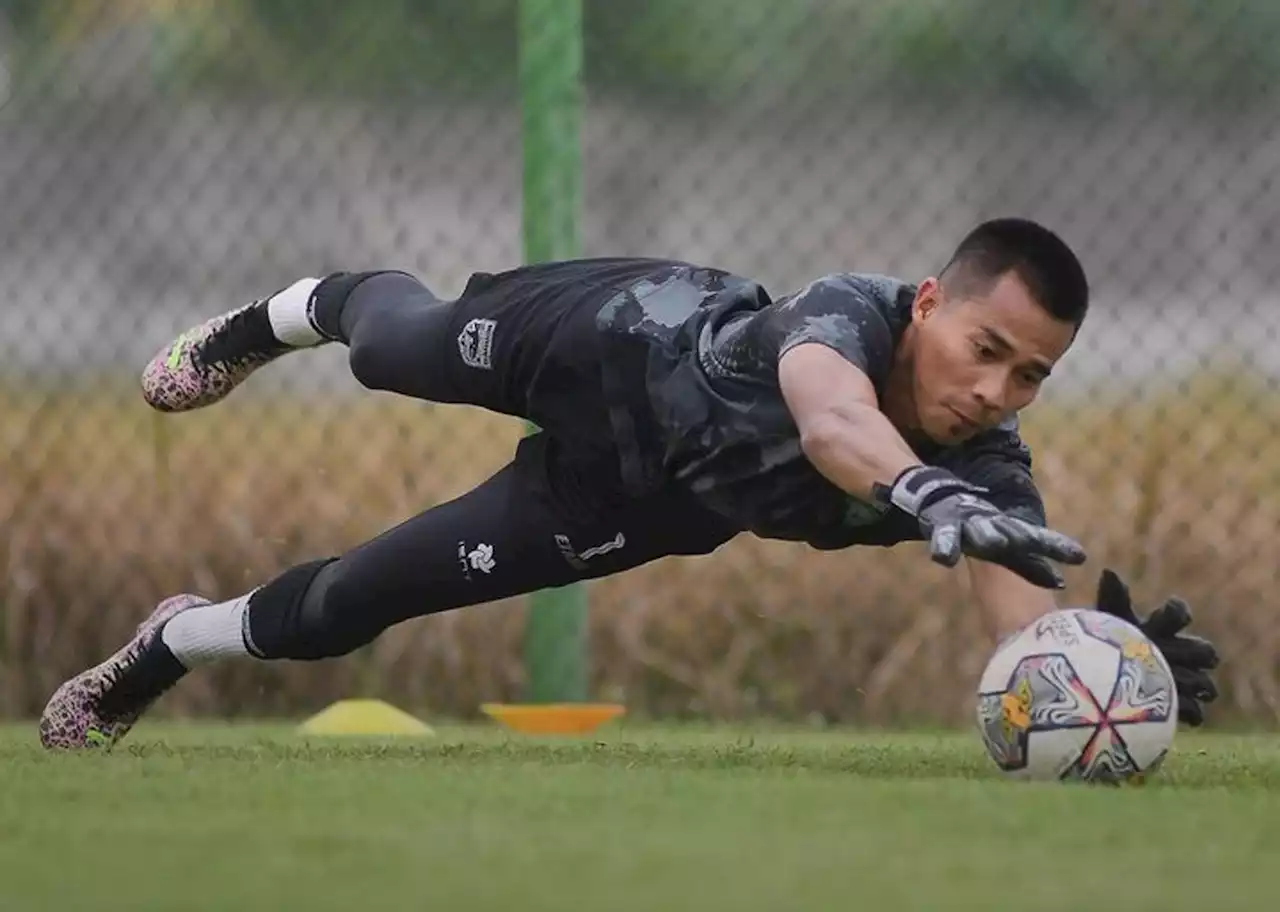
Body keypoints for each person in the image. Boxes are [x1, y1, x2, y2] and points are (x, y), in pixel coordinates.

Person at [39, 218, 1219, 749]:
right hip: (607, 337)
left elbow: (1016, 616)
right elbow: (828, 421)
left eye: (1031, 377)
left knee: (353, 605)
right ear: (926, 301)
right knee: (394, 347)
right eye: (984, 349)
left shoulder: (984, 469)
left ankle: (166, 645)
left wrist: (1090, 659)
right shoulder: (843, 317)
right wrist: (923, 494)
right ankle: (297, 306)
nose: (997, 392)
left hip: (635, 505)